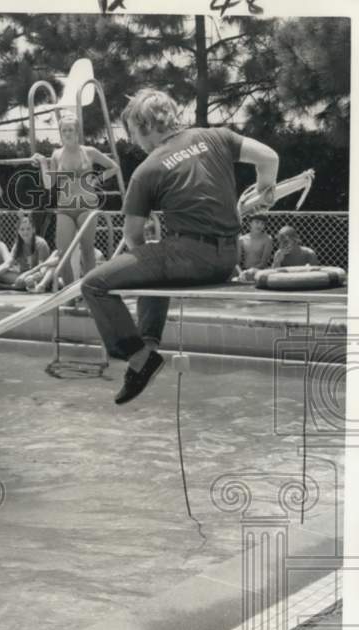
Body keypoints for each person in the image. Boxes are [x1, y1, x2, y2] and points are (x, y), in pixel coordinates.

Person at [80, 88, 279, 405]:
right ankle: (147, 345)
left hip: (189, 258)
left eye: (133, 133)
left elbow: (133, 237)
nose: (134, 142)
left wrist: (149, 263)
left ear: (145, 125)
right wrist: (264, 190)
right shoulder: (217, 137)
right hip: (228, 257)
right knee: (152, 262)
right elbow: (270, 158)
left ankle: (140, 358)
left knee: (93, 284)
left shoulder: (148, 170)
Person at [32, 114, 120, 285]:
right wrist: (43, 163)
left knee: (87, 251)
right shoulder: (57, 154)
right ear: (60, 132)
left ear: (77, 132)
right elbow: (49, 184)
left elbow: (114, 166)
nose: (67, 133)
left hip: (86, 206)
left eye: (70, 130)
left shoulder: (89, 152)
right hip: (65, 207)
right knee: (63, 253)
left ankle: (90, 291)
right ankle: (69, 295)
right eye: (64, 130)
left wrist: (96, 180)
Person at [0, 211, 52, 291]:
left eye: (28, 229)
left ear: (34, 230)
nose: (25, 232)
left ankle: (6, 286)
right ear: (18, 231)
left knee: (25, 280)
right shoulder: (18, 244)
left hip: (35, 276)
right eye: (22, 229)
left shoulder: (41, 243)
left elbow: (43, 269)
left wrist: (30, 276)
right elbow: (8, 263)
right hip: (21, 275)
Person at [235, 216, 274, 280]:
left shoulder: (267, 239)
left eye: (262, 223)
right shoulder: (242, 239)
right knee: (234, 279)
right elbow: (237, 262)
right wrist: (241, 273)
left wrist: (250, 272)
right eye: (257, 222)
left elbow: (263, 263)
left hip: (260, 272)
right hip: (244, 272)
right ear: (250, 223)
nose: (260, 225)